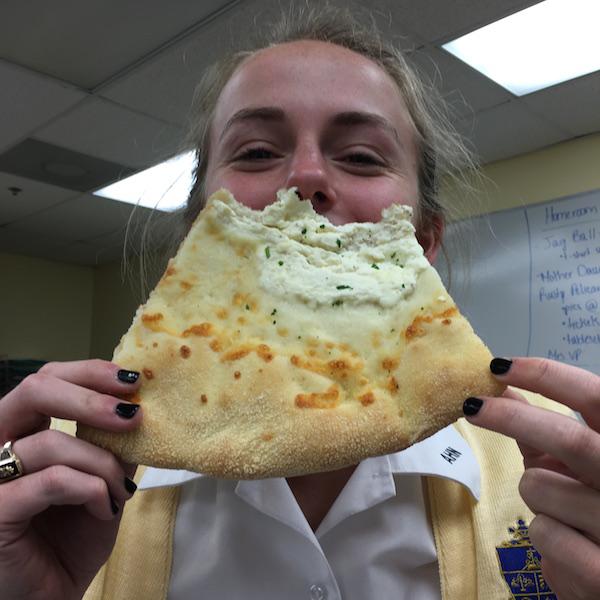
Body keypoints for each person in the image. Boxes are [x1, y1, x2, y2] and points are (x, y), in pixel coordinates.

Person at [1, 7, 599, 600]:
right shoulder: (60, 469)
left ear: (423, 241)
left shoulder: (555, 465)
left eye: (362, 156)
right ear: (196, 238)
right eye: (257, 152)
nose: (306, 176)